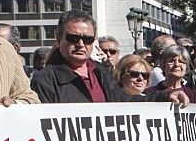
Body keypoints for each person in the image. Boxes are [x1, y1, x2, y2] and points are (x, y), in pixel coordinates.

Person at [30, 11, 186, 106]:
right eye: (73, 38)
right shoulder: (45, 79)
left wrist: (165, 97)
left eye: (88, 39)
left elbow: (126, 101)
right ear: (58, 40)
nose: (81, 44)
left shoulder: (100, 72)